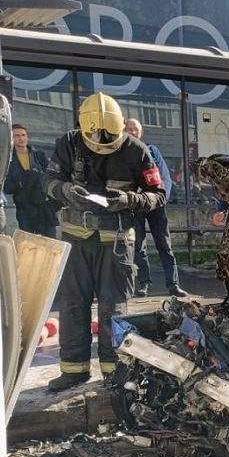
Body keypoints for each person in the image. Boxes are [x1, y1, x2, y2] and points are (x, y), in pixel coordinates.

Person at [42, 92, 167, 392]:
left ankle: (115, 371)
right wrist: (64, 190)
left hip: (117, 243)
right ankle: (74, 369)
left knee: (115, 308)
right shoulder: (69, 144)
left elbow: (158, 195)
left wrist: (129, 199)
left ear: (121, 126)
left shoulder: (136, 151)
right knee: (72, 305)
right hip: (76, 240)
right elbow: (46, 181)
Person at [123, 118, 187, 297]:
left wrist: (162, 199)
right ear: (123, 131)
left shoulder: (151, 150)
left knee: (164, 245)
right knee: (138, 247)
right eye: (129, 129)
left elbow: (165, 178)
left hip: (155, 205)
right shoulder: (121, 155)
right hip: (135, 206)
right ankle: (144, 284)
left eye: (136, 129)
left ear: (141, 132)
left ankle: (173, 284)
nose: (132, 132)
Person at [4, 123, 59, 237]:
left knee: (50, 240)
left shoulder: (39, 156)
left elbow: (51, 175)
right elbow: (7, 187)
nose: (21, 138)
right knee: (28, 241)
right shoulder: (9, 160)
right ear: (11, 139)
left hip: (43, 205)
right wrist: (20, 183)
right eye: (17, 136)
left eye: (23, 135)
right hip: (24, 208)